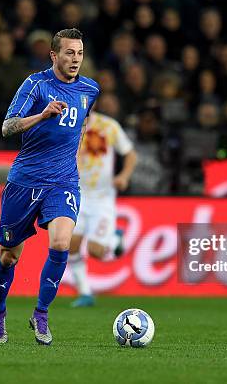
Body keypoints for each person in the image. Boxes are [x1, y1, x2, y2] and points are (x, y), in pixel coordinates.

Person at [0, 28, 99, 346]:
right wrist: (42, 115)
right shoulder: (35, 85)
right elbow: (7, 127)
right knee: (9, 256)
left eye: (79, 53)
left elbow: (80, 126)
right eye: (68, 53)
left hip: (63, 181)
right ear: (54, 55)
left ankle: (41, 314)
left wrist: (72, 157)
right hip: (24, 181)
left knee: (62, 243)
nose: (75, 59)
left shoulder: (90, 89)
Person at [67, 110, 137, 307]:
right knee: (69, 243)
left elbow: (130, 154)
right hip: (76, 193)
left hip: (102, 198)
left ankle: (114, 238)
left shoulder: (108, 126)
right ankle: (85, 292)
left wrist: (124, 176)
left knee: (96, 251)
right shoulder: (66, 123)